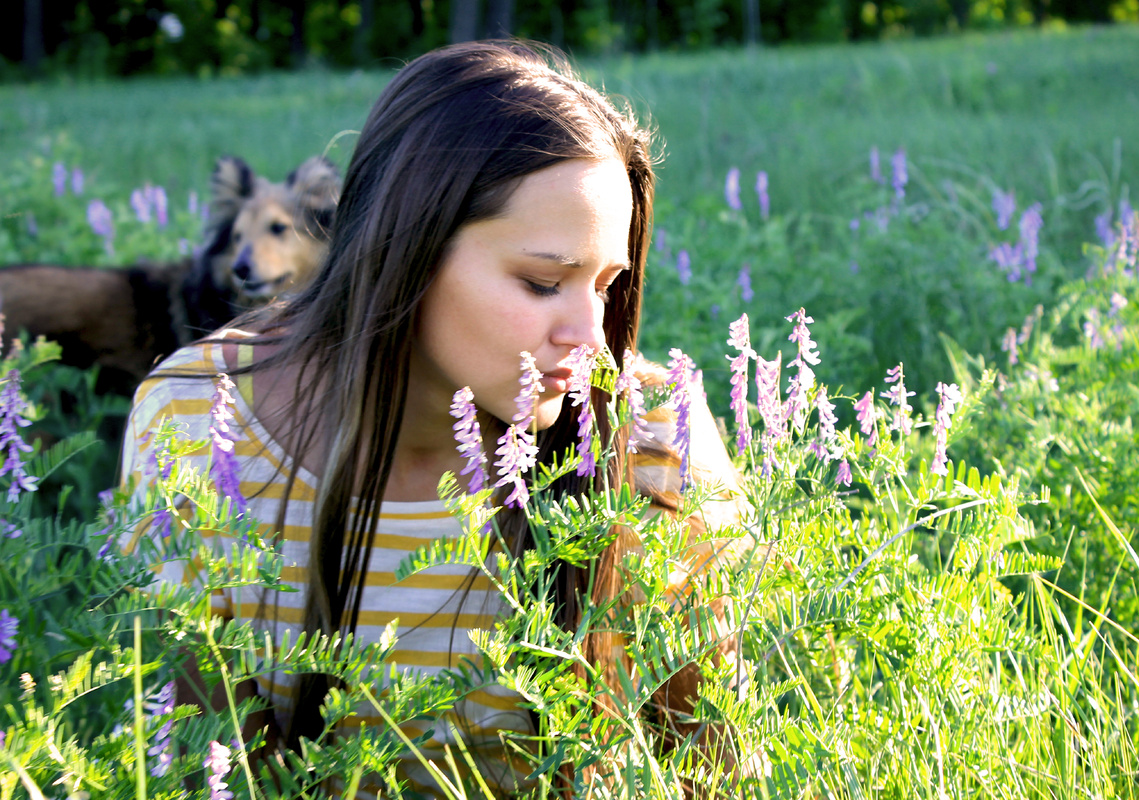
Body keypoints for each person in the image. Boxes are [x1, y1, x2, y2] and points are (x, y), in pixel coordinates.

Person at [120, 40, 746, 797]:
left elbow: (707, 771)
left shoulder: (651, 440)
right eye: (544, 281)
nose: (590, 340)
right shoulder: (197, 423)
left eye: (607, 286)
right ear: (402, 252)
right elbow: (203, 770)